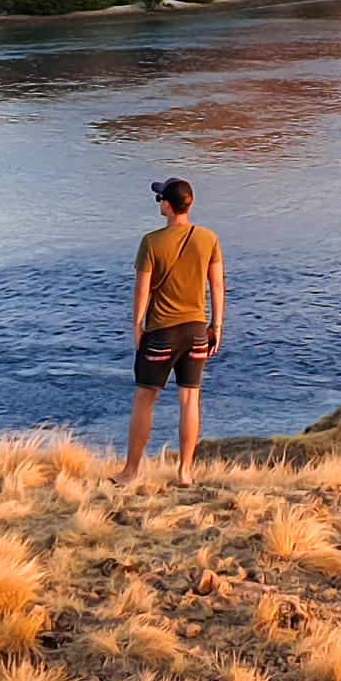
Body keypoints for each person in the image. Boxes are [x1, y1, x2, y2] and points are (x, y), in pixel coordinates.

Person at [116, 176, 226, 486]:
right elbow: (217, 284)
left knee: (144, 401)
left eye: (159, 199)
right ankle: (185, 473)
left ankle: (131, 472)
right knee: (190, 401)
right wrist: (216, 325)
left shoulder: (151, 242)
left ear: (167, 205)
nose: (159, 203)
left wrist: (138, 327)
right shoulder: (208, 239)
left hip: (161, 332)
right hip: (196, 333)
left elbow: (142, 290)